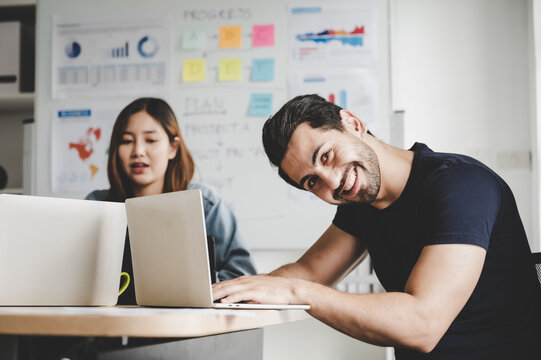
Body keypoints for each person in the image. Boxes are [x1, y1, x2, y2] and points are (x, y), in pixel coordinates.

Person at [212, 94, 541, 359]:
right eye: (312, 182)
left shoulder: (461, 185)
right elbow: (308, 272)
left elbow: (422, 324)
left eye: (326, 155)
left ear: (352, 124)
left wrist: (295, 292)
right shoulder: (362, 201)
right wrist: (224, 293)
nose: (332, 182)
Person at [87, 97, 257, 305]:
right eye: (127, 141)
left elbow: (242, 275)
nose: (138, 151)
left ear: (172, 148)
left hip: (189, 326)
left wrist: (200, 290)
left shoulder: (205, 203)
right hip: (109, 324)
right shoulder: (96, 204)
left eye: (150, 140)